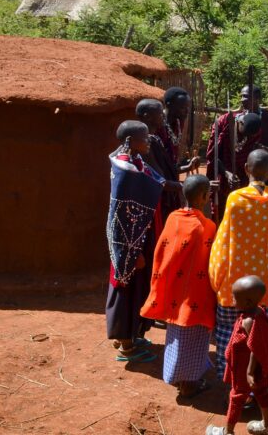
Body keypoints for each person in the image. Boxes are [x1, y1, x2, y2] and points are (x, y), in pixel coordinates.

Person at [209, 149, 268, 377]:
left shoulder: (235, 199)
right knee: (263, 338)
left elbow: (223, 243)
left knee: (229, 333)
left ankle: (230, 377)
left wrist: (216, 278)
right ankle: (258, 379)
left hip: (236, 287)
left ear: (246, 169)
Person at [140, 174, 216, 397]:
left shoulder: (173, 217)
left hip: (175, 292)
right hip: (196, 296)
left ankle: (175, 376)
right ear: (203, 197)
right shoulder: (207, 227)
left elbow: (163, 251)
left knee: (175, 336)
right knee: (194, 340)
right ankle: (189, 384)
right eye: (208, 193)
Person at [106, 120, 167, 363]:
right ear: (130, 141)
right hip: (129, 243)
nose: (149, 139)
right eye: (145, 136)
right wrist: (135, 252)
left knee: (135, 288)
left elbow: (157, 183)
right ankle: (127, 345)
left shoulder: (133, 162)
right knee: (127, 289)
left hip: (137, 239)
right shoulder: (124, 169)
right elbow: (123, 214)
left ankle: (130, 335)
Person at [206, 276, 268, 435]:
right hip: (252, 368)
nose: (232, 299)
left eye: (234, 297)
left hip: (245, 369)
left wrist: (249, 372)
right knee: (261, 392)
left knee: (236, 396)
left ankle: (228, 431)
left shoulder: (249, 321)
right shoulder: (257, 312)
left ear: (247, 302)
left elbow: (256, 348)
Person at [136, 98, 188, 222]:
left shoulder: (155, 139)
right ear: (147, 117)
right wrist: (189, 186)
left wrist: (188, 167)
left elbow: (164, 171)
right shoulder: (146, 143)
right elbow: (160, 181)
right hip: (154, 201)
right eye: (160, 113)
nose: (163, 115)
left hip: (161, 197)